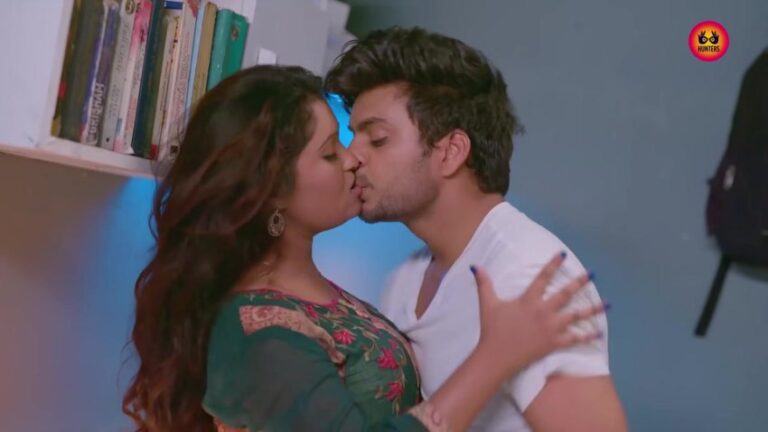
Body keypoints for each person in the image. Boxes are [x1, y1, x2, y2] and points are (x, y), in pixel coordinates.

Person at [122, 65, 605, 431]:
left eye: (374, 139)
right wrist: (494, 356)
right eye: (331, 152)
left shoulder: (508, 266)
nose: (353, 159)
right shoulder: (256, 329)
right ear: (270, 191)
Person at [325, 27, 628, 431]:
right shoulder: (405, 282)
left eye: (377, 139)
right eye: (353, 136)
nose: (352, 156)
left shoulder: (527, 276)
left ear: (451, 152)